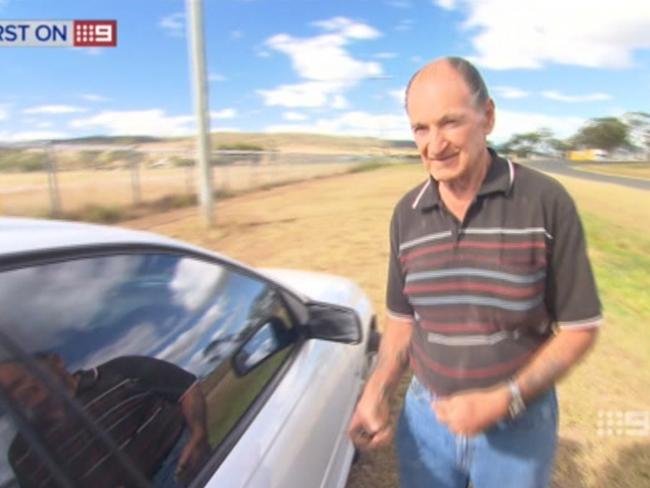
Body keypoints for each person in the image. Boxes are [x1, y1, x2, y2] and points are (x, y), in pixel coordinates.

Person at [348, 56, 602, 488]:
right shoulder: (406, 214)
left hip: (520, 427)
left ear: (487, 116)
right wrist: (376, 392)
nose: (434, 145)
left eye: (449, 123)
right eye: (420, 129)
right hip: (426, 421)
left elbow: (580, 328)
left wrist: (506, 400)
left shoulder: (545, 201)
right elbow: (402, 321)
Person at [0, 353, 209, 488]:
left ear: (56, 362)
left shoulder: (122, 370)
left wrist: (198, 435)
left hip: (186, 466)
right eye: (8, 393)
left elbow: (187, 388)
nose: (21, 391)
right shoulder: (23, 454)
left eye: (23, 378)